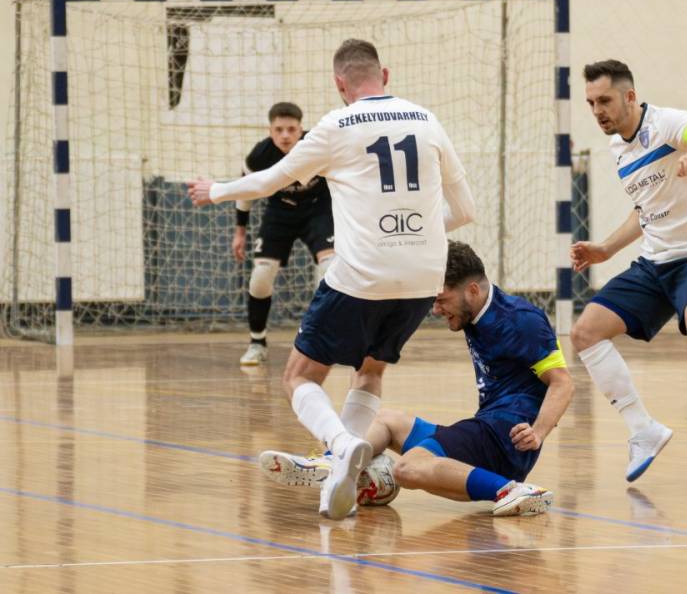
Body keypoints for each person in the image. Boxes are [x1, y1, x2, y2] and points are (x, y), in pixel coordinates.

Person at [187, 38, 477, 520]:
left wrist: (215, 190)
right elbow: (467, 211)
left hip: (363, 274)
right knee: (370, 370)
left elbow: (268, 181)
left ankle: (340, 444)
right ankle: (340, 479)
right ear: (385, 75)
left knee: (298, 376)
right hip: (423, 277)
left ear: (339, 84)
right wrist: (417, 237)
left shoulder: (337, 124)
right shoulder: (427, 120)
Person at [260, 240, 574, 517]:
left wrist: (538, 432)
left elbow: (563, 382)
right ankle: (336, 462)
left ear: (473, 290)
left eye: (441, 300)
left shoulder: (521, 320)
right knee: (384, 420)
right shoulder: (476, 310)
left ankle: (513, 491)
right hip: (486, 427)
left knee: (407, 468)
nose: (436, 309)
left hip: (506, 435)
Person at [570, 59, 687, 482]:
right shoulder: (618, 148)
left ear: (630, 96)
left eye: (606, 100)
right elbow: (645, 210)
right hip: (655, 261)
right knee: (584, 333)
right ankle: (643, 430)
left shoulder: (667, 124)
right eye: (592, 103)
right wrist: (605, 249)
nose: (598, 111)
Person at [232, 102, 335, 366]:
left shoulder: (317, 146)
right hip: (280, 213)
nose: (285, 136)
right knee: (260, 278)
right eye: (279, 130)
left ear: (301, 129)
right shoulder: (259, 156)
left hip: (318, 211)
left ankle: (325, 340)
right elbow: (245, 194)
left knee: (331, 271)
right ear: (270, 130)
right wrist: (240, 232)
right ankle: (257, 342)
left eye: (291, 129)